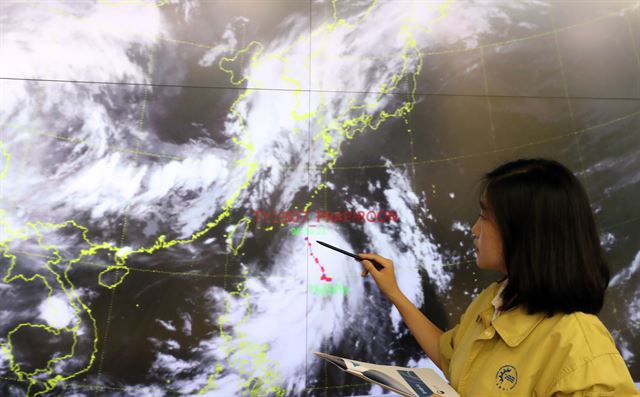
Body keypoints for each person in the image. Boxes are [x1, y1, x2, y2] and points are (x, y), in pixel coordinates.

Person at [359, 158, 639, 396]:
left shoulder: (579, 344)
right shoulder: (494, 301)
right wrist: (394, 293)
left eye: (485, 217)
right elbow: (452, 358)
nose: (474, 229)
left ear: (525, 232)